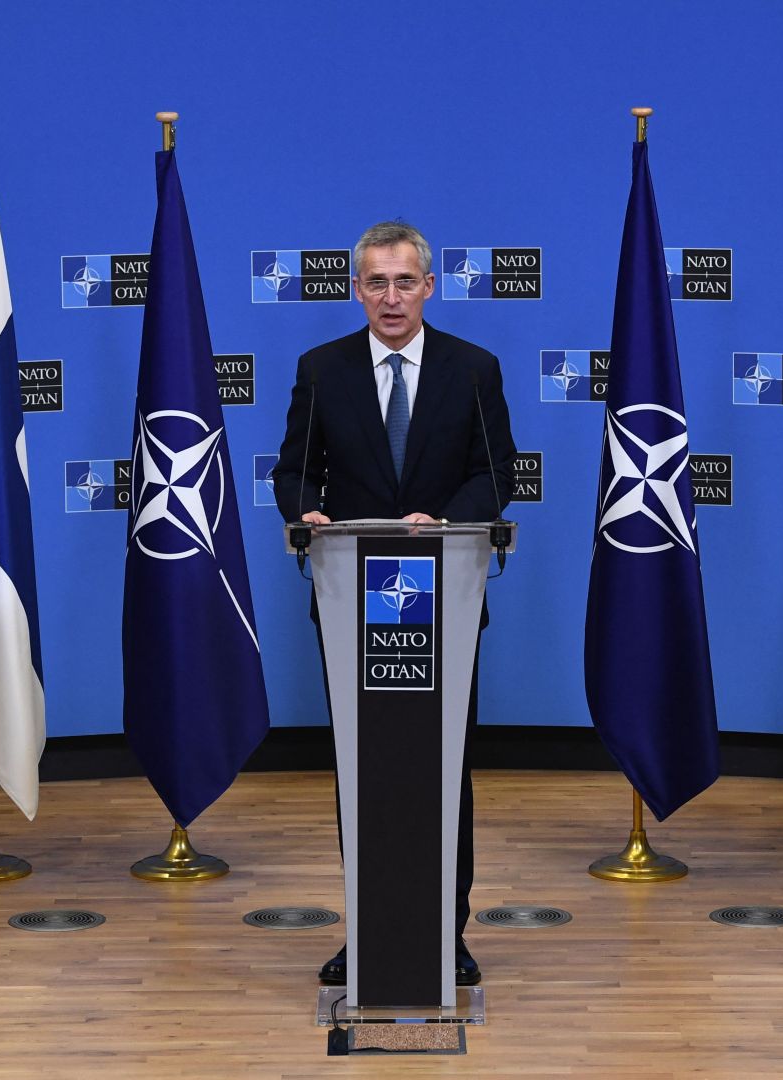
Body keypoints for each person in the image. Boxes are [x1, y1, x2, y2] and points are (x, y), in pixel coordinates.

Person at [273, 220, 516, 987]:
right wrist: (308, 510)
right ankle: (367, 932)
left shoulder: (473, 369)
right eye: (375, 282)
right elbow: (293, 471)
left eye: (403, 281)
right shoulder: (322, 368)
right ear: (356, 289)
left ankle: (450, 932)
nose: (390, 297)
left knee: (448, 769)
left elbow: (495, 472)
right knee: (363, 767)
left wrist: (446, 522)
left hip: (448, 594)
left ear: (428, 287)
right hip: (354, 603)